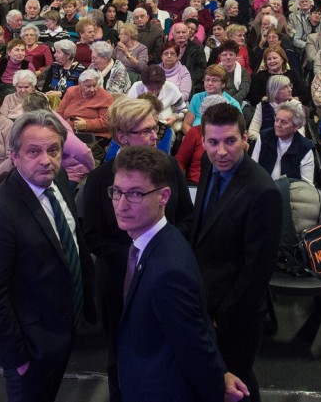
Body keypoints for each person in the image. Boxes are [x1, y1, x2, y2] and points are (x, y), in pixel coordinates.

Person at [0, 111, 94, 402]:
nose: (46, 160)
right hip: (30, 347)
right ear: (14, 156)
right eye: (34, 152)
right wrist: (19, 359)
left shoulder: (58, 179)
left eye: (53, 150)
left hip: (63, 329)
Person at [111, 146, 249, 402]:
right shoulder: (161, 241)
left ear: (163, 196)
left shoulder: (168, 270)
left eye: (135, 194)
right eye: (117, 191)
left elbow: (193, 342)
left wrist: (217, 384)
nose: (121, 205)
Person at [81, 98, 195, 400]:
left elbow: (187, 218)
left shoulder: (170, 168)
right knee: (120, 355)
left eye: (155, 128)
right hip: (117, 279)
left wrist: (161, 247)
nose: (154, 136)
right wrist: (135, 256)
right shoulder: (101, 178)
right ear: (121, 136)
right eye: (145, 131)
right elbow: (92, 236)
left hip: (164, 276)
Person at [190, 103, 282, 402]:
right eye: (213, 142)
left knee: (237, 383)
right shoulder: (208, 164)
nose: (221, 151)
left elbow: (257, 271)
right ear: (203, 141)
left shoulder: (263, 191)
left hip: (235, 312)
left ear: (245, 138)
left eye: (230, 141)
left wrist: (223, 317)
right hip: (205, 298)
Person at [250, 101, 315, 183]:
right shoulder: (264, 137)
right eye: (276, 120)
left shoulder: (304, 148)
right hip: (262, 187)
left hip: (291, 190)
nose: (277, 125)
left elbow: (307, 185)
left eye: (284, 122)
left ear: (296, 126)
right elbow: (253, 170)